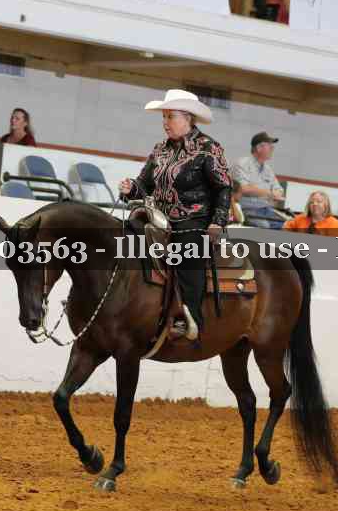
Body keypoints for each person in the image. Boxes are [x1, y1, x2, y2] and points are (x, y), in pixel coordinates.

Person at [119, 89, 232, 342]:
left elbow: (223, 187)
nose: (165, 122)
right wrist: (131, 189)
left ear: (187, 118)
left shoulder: (208, 148)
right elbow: (144, 184)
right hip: (158, 218)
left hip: (194, 221)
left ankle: (189, 317)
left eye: (170, 116)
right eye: (164, 117)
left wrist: (218, 221)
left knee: (187, 253)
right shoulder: (160, 149)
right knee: (126, 237)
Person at [233, 131, 285, 229]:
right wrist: (270, 193)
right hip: (247, 209)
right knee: (264, 226)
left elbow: (279, 190)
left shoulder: (268, 169)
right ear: (259, 148)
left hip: (266, 209)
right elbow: (243, 188)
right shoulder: (242, 164)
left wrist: (257, 190)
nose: (272, 148)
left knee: (286, 225)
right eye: (269, 145)